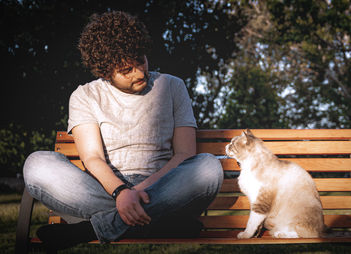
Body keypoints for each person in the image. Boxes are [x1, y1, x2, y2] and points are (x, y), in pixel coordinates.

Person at [23, 11, 223, 251]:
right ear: (105, 72)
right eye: (127, 70)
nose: (139, 72)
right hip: (105, 189)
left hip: (162, 187)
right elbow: (92, 158)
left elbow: (185, 155)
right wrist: (120, 192)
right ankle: (157, 222)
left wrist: (135, 194)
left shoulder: (172, 86)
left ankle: (90, 230)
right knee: (37, 164)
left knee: (209, 168)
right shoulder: (85, 96)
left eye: (141, 60)